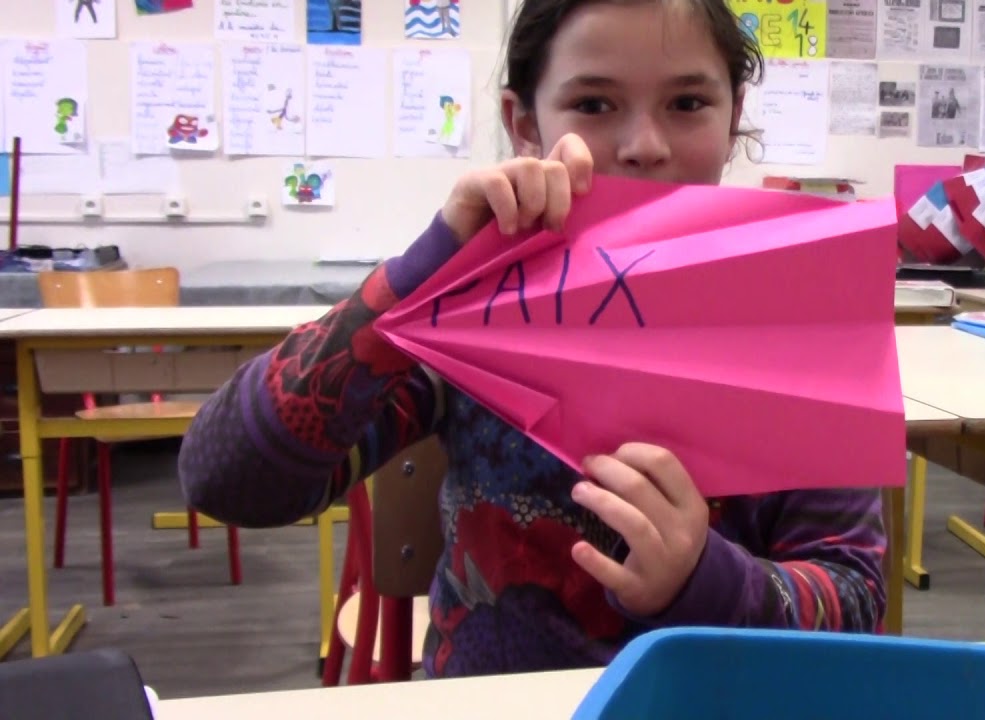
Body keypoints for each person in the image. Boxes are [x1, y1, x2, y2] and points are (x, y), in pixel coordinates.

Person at [179, 0, 887, 680]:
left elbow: (856, 603)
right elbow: (228, 480)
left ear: (734, 116)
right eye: (595, 104)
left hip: (716, 699)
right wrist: (425, 272)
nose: (645, 146)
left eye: (688, 103)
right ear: (524, 122)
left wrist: (702, 576)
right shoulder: (480, 307)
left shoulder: (801, 319)